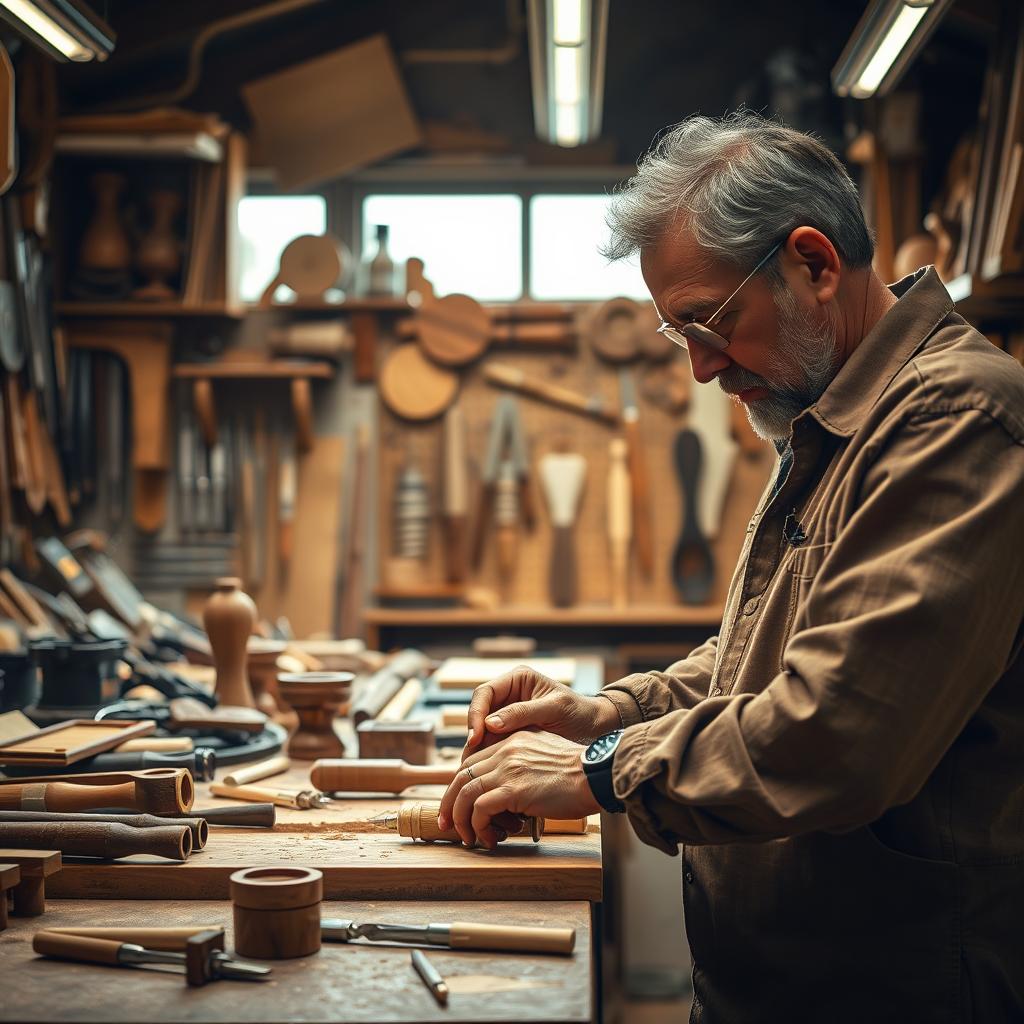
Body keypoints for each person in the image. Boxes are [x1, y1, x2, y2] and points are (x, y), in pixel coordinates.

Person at [437, 111, 1024, 1022]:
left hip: (896, 992)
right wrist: (606, 710)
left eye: (709, 322)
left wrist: (599, 767)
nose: (704, 368)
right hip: (790, 984)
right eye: (681, 335)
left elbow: (838, 733)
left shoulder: (958, 424)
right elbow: (760, 656)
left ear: (814, 264)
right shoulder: (837, 424)